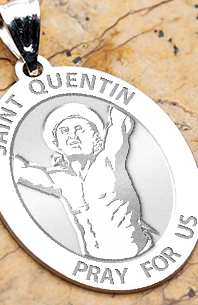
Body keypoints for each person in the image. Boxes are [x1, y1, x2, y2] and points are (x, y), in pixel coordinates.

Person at [13, 103, 157, 261]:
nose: (72, 136)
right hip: (96, 263)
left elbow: (121, 118)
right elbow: (15, 169)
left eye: (79, 129)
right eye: (64, 131)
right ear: (57, 144)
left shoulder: (109, 161)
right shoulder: (60, 179)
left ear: (96, 138)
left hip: (140, 256)